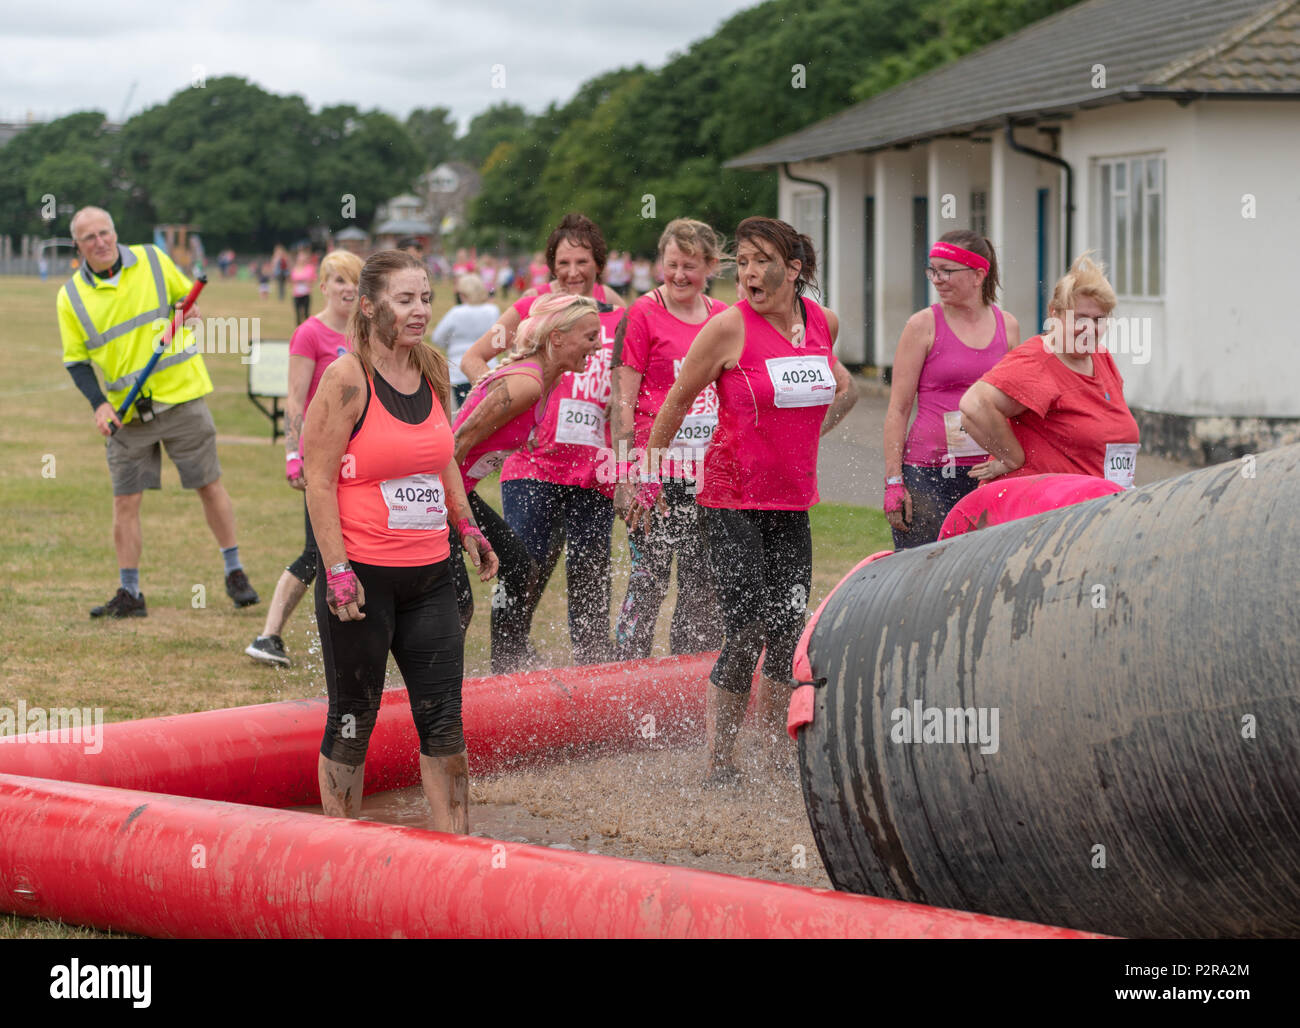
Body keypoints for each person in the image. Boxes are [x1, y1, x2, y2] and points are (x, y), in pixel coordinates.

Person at [631, 217, 856, 784]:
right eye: (744, 262)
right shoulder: (730, 327)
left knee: (788, 627)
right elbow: (676, 404)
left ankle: (777, 756)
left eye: (762, 261)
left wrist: (804, 438)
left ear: (794, 269)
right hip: (730, 501)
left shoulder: (822, 323)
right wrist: (650, 478)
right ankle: (720, 762)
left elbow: (844, 388)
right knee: (749, 626)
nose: (750, 273)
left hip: (792, 504)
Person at [302, 249, 498, 831]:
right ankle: (340, 851)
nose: (420, 311)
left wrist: (467, 527)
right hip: (361, 581)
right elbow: (317, 479)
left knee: (444, 722)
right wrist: (336, 571)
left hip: (430, 578)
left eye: (426, 299)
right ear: (369, 306)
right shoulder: (346, 378)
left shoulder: (432, 368)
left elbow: (442, 461)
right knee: (353, 718)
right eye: (404, 299)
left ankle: (457, 856)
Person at [57, 205, 259, 618]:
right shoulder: (70, 297)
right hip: (126, 415)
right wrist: (99, 405)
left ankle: (234, 570)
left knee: (209, 485)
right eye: (89, 237)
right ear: (77, 247)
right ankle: (130, 593)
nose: (100, 242)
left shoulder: (152, 257)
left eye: (105, 232)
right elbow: (76, 361)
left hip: (182, 397)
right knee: (125, 502)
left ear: (116, 232)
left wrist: (190, 310)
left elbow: (187, 300)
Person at [459, 213, 626, 665]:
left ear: (599, 264)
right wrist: (505, 399)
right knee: (524, 570)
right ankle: (507, 666)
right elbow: (474, 358)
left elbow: (635, 383)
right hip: (533, 468)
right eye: (563, 262)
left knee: (591, 582)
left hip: (594, 472)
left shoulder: (620, 314)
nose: (572, 272)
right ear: (551, 265)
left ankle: (593, 681)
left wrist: (622, 402)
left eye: (582, 261)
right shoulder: (534, 307)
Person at [450, 293, 603, 670]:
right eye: (590, 337)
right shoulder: (526, 384)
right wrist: (460, 520)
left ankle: (510, 665)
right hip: (436, 494)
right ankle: (438, 699)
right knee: (458, 606)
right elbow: (451, 446)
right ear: (557, 339)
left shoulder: (544, 382)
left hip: (457, 491)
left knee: (520, 568)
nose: (598, 345)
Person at [609, 218, 726, 659]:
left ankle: (691, 689)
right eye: (672, 264)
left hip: (708, 479)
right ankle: (625, 679)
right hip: (654, 476)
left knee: (702, 590)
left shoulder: (722, 318)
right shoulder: (642, 312)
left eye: (690, 266)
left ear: (710, 265)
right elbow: (622, 402)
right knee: (649, 580)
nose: (679, 275)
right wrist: (627, 475)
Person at [247, 249, 363, 666]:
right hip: (320, 455)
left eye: (355, 281)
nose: (348, 289)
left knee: (358, 545)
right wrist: (293, 454)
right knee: (318, 550)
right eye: (340, 281)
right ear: (323, 287)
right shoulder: (309, 334)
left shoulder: (365, 334)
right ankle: (268, 636)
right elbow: (295, 400)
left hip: (362, 454)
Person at [882, 231, 1020, 549]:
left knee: (981, 570)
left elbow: (1015, 404)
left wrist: (1012, 461)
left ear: (978, 274)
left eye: (947, 270)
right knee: (922, 571)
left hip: (988, 470)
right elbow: (898, 409)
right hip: (928, 472)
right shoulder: (922, 326)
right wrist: (893, 481)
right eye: (933, 270)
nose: (937, 279)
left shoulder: (1007, 325)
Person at [959, 253, 1140, 487]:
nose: (1089, 328)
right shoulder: (1039, 361)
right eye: (1080, 317)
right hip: (1041, 512)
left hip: (1097, 506)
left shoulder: (1101, 357)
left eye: (1098, 319)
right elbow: (974, 405)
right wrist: (1011, 458)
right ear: (1055, 313)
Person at [433, 274, 499, 410]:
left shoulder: (456, 313)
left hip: (460, 369)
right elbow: (499, 339)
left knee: (465, 413)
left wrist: (451, 343)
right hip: (488, 367)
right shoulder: (492, 311)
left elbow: (437, 337)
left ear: (462, 294)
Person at [290, 249, 314, 325]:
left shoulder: (309, 268)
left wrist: (305, 280)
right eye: (300, 257)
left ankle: (307, 329)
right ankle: (298, 329)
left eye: (303, 257)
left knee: (306, 313)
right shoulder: (295, 268)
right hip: (296, 294)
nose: (301, 259)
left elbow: (312, 279)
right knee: (298, 314)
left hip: (306, 293)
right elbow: (292, 279)